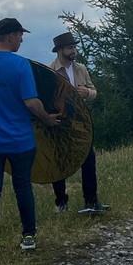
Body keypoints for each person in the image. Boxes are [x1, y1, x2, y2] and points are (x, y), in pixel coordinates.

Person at [0, 18, 61, 260]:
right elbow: (31, 102)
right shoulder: (19, 65)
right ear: (11, 36)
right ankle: (28, 237)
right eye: (20, 35)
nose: (22, 39)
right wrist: (47, 118)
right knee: (22, 187)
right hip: (20, 141)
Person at [49, 31, 110, 214]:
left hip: (81, 121)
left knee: (88, 159)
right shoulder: (51, 70)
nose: (74, 50)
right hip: (61, 121)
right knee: (59, 162)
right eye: (70, 47)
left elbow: (93, 91)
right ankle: (61, 202)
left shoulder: (81, 69)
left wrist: (87, 93)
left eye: (74, 47)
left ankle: (91, 201)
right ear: (60, 50)